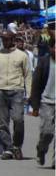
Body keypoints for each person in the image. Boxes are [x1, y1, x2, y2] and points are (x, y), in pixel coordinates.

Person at [0, 33, 31, 159]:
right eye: (3, 40)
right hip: (0, 90)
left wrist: (29, 93)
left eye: (7, 39)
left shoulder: (22, 55)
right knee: (2, 123)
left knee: (18, 119)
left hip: (17, 90)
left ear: (13, 40)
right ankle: (9, 149)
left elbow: (28, 74)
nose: (5, 42)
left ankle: (17, 145)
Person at [34, 37, 56, 169]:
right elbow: (36, 84)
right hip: (46, 101)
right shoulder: (44, 62)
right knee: (47, 132)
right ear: (51, 48)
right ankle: (41, 149)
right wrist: (35, 106)